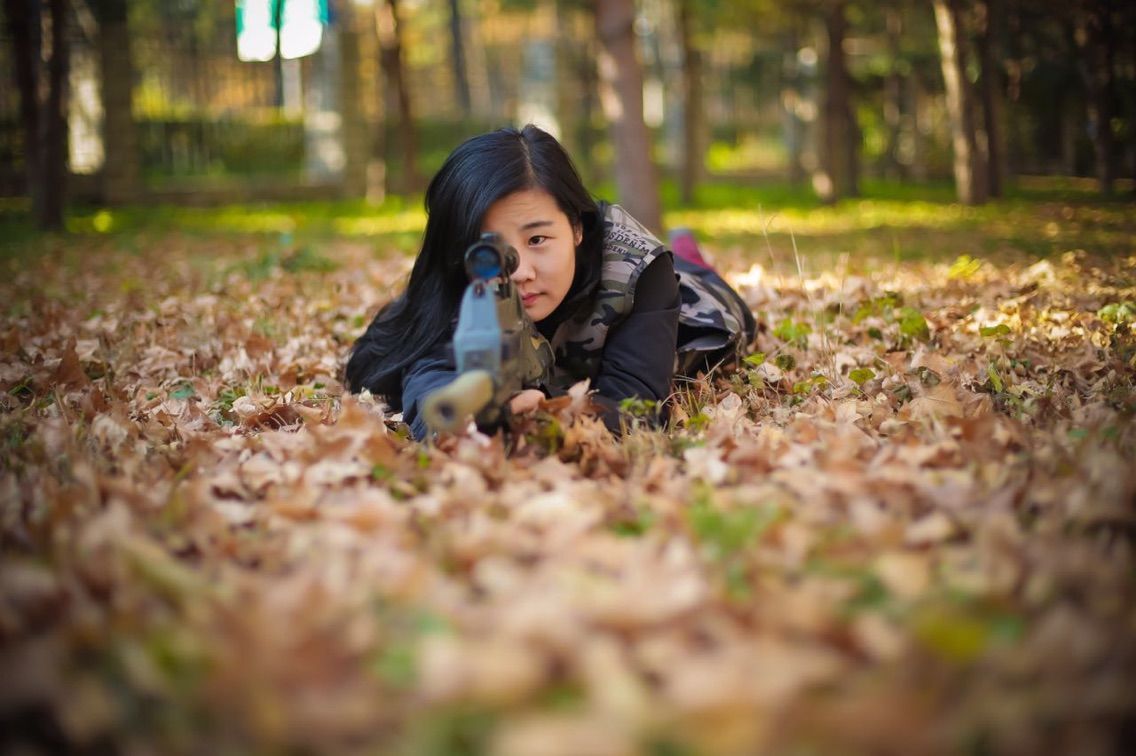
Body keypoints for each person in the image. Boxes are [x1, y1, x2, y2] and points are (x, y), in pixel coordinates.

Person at [345, 124, 755, 440]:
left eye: (538, 239)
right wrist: (465, 421)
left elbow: (637, 405)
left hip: (693, 306)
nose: (520, 270)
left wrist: (550, 420)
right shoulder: (472, 275)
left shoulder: (639, 268)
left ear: (577, 226)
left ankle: (691, 256)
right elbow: (428, 370)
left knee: (706, 286)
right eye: (495, 248)